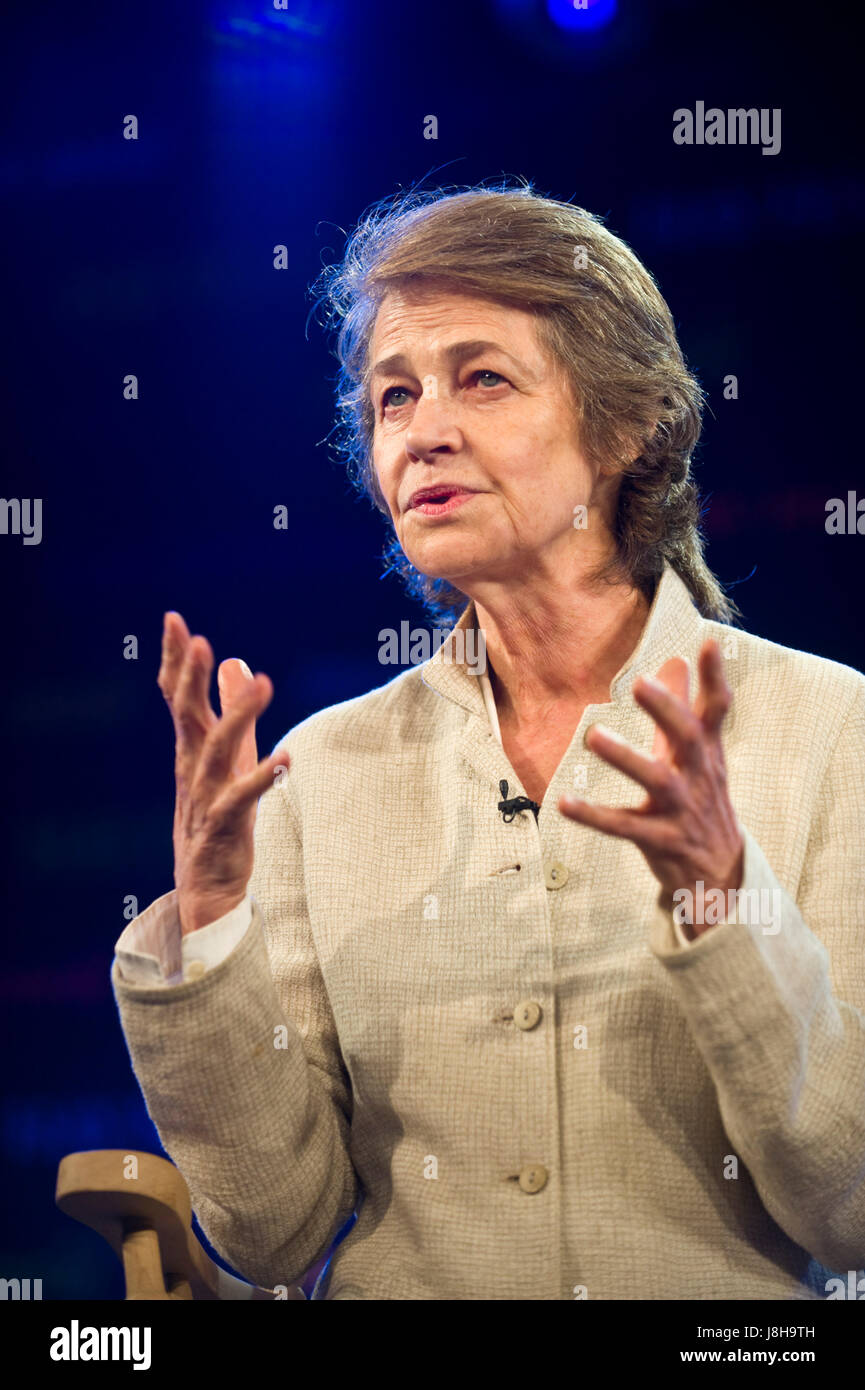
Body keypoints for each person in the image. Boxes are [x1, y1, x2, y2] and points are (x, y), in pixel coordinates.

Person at [112, 185, 865, 1300]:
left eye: (483, 379)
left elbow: (845, 1208)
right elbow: (273, 1231)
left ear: (625, 424)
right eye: (393, 397)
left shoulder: (828, 728)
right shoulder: (319, 775)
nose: (425, 431)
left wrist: (724, 901)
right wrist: (215, 927)